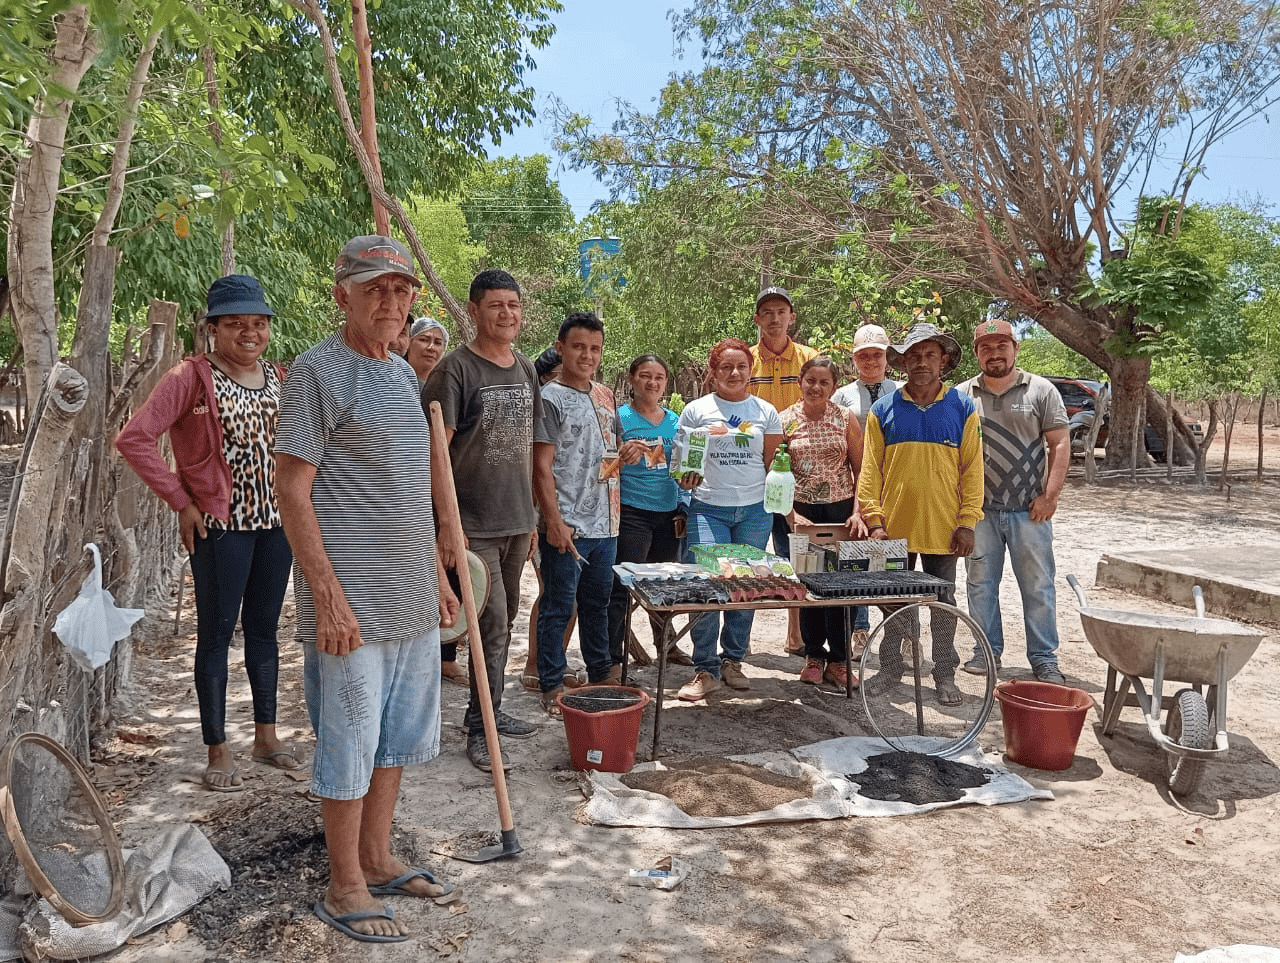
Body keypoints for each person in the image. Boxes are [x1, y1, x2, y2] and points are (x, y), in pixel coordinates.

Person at [274, 235, 460, 944]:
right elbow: (293, 490)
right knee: (349, 738)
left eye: (401, 289)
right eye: (375, 288)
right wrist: (325, 591)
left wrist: (437, 578)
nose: (391, 301)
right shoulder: (319, 373)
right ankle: (344, 880)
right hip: (349, 600)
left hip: (407, 593)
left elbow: (406, 488)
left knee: (396, 737)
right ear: (341, 295)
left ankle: (378, 857)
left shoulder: (400, 376)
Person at [116, 275, 296, 793]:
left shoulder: (278, 376)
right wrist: (181, 500)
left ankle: (266, 737)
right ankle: (218, 749)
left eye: (258, 324)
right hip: (222, 526)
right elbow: (134, 438)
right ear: (212, 328)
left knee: (264, 631)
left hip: (275, 524)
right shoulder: (190, 378)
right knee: (216, 634)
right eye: (236, 324)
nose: (249, 333)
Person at [422, 269, 541, 773]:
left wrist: (534, 515)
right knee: (487, 625)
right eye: (496, 305)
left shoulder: (527, 368)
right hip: (472, 525)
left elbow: (531, 450)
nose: (507, 314)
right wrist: (447, 525)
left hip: (517, 520)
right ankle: (481, 728)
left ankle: (489, 709)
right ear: (473, 311)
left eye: (513, 305)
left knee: (505, 620)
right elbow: (435, 454)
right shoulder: (454, 371)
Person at [857, 322, 984, 706]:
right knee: (892, 603)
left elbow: (973, 469)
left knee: (943, 606)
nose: (922, 362)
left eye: (930, 354)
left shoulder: (962, 407)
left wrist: (967, 522)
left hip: (945, 530)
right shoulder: (883, 409)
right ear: (903, 362)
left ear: (943, 361)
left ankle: (944, 675)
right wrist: (875, 522)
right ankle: (890, 669)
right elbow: (870, 471)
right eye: (914, 355)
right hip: (892, 532)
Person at [958, 319, 1070, 685]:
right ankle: (986, 652)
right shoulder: (962, 396)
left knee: (1038, 585)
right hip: (980, 513)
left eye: (1001, 345)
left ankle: (1043, 658)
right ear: (976, 353)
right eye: (986, 347)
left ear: (1015, 348)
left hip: (1030, 512)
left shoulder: (1041, 391)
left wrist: (1050, 496)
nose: (994, 353)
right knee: (980, 584)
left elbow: (1060, 444)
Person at [674, 337, 784, 701]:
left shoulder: (766, 412)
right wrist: (684, 480)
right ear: (714, 372)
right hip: (708, 508)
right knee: (708, 585)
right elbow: (682, 464)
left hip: (754, 510)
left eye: (741, 366)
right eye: (726, 367)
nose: (734, 373)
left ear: (751, 371)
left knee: (744, 586)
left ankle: (733, 660)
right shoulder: (696, 410)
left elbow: (773, 466)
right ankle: (705, 668)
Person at [531, 312, 621, 714]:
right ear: (561, 347)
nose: (587, 355)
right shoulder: (549, 398)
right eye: (579, 347)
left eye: (595, 349)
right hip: (568, 523)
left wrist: (627, 457)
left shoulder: (605, 396)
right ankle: (551, 680)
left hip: (607, 521)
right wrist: (553, 521)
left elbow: (604, 458)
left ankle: (600, 671)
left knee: (597, 602)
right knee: (558, 604)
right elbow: (541, 466)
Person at [779, 357, 867, 688]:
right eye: (810, 380)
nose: (816, 387)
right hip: (803, 514)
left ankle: (841, 661)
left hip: (842, 513)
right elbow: (776, 473)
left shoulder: (845, 418)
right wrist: (790, 514)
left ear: (833, 386)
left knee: (843, 587)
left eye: (824, 382)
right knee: (810, 586)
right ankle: (814, 656)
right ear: (800, 381)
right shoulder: (784, 421)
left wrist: (858, 512)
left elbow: (860, 470)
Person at [606, 354, 691, 669]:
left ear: (666, 383)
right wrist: (621, 457)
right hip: (632, 513)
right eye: (645, 375)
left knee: (663, 585)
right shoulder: (618, 418)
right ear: (631, 379)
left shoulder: (675, 420)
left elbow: (683, 469)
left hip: (668, 515)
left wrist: (684, 504)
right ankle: (614, 659)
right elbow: (603, 468)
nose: (652, 382)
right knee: (622, 588)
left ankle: (667, 646)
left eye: (659, 377)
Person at [748, 285, 819, 656]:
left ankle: (797, 634)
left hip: (802, 469)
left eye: (782, 311)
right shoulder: (745, 361)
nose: (774, 318)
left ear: (791, 317)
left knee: (797, 549)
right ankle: (736, 645)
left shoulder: (809, 358)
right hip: (753, 469)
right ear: (758, 319)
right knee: (752, 554)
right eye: (767, 312)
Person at [831, 323, 903, 653]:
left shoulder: (903, 391)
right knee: (858, 560)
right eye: (863, 355)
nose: (870, 361)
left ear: (887, 356)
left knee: (895, 562)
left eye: (876, 354)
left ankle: (900, 634)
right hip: (857, 486)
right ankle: (860, 630)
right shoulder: (842, 396)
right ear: (854, 359)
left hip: (897, 486)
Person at [405, 316, 466, 688]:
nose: (431, 347)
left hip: (443, 492)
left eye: (437, 342)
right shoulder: (397, 383)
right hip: (407, 492)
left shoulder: (446, 387)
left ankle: (446, 655)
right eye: (423, 340)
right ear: (408, 343)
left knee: (453, 572)